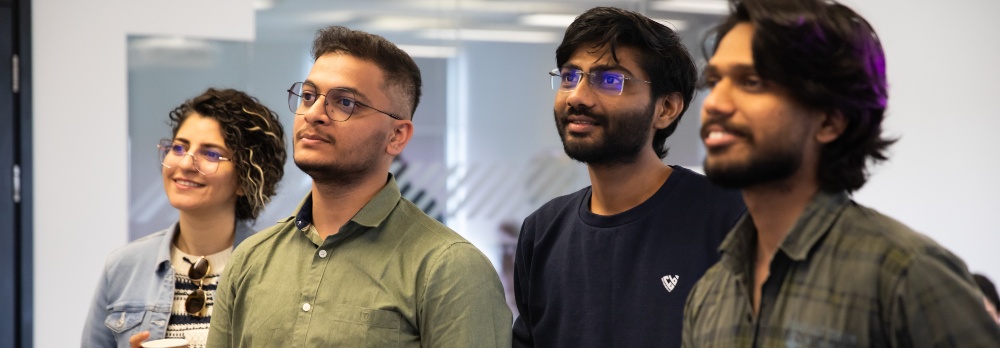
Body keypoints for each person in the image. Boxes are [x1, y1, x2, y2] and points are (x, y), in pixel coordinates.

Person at [683, 0, 1000, 346]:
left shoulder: (905, 274)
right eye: (715, 81)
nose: (714, 103)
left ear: (830, 120)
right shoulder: (710, 294)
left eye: (752, 82)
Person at [206, 26, 512, 347]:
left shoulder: (450, 269)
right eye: (308, 96)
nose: (314, 114)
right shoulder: (251, 259)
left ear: (397, 136)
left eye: (345, 103)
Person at [512, 7, 746, 348]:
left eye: (609, 80)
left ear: (665, 108)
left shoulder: (730, 217)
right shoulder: (542, 232)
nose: (577, 96)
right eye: (569, 77)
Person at [82, 88, 287, 348]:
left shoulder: (274, 271)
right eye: (179, 148)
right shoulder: (123, 267)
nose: (186, 164)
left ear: (245, 181)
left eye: (211, 154)